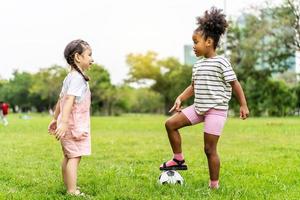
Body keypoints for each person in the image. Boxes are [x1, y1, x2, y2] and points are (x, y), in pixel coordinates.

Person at [159, 7, 249, 189]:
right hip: (199, 108)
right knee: (170, 124)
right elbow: (193, 86)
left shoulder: (222, 62)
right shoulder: (198, 65)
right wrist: (180, 98)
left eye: (196, 42)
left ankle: (213, 185)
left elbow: (235, 83)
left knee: (209, 149)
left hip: (216, 110)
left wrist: (243, 105)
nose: (193, 46)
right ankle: (178, 159)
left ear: (209, 42)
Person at [48, 39, 94, 195]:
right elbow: (68, 100)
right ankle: (72, 190)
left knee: (68, 156)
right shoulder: (76, 79)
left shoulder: (70, 77)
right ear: (77, 57)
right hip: (74, 125)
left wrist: (55, 119)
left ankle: (69, 186)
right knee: (74, 157)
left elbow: (61, 100)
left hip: (68, 124)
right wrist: (64, 122)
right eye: (89, 55)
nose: (92, 59)